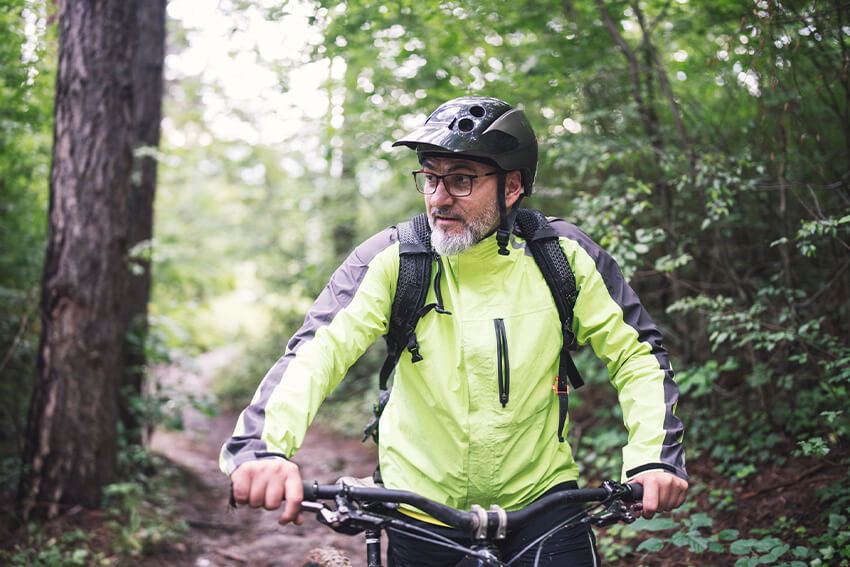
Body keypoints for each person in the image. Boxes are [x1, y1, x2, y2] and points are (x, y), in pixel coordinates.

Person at [220, 96, 688, 565]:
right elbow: (317, 351)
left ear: (512, 187)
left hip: (544, 503)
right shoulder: (393, 259)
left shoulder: (563, 257)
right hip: (419, 507)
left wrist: (652, 457)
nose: (438, 198)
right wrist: (265, 448)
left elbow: (638, 355)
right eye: (430, 177)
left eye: (461, 179)